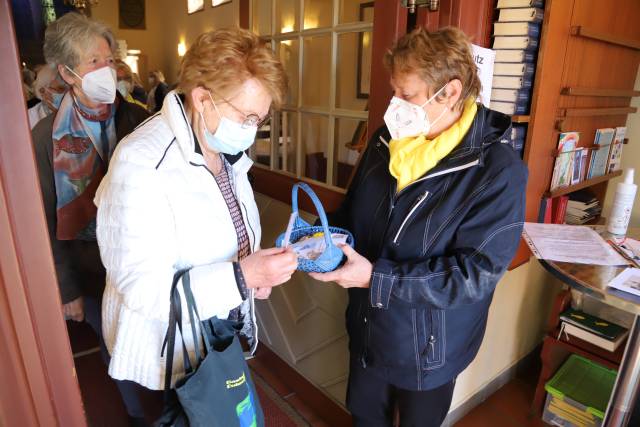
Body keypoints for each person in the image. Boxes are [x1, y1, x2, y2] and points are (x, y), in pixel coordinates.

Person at [310, 27, 528, 427]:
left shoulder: (497, 172)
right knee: (364, 417)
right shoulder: (385, 141)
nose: (394, 106)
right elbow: (352, 212)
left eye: (406, 95)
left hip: (431, 349)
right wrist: (320, 238)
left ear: (449, 92)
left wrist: (376, 278)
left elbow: (474, 275)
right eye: (394, 92)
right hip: (368, 328)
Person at [94, 28, 298, 394]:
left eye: (260, 119)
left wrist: (253, 278)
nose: (253, 130)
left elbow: (225, 239)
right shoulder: (141, 161)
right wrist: (241, 278)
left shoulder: (223, 150)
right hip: (169, 353)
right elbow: (144, 291)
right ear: (203, 98)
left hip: (215, 339)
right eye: (248, 117)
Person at [31, 12, 150, 427]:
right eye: (92, 62)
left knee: (158, 341)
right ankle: (138, 415)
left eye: (109, 59)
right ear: (66, 72)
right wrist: (67, 290)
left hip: (144, 258)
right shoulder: (46, 137)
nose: (107, 70)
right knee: (115, 344)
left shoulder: (138, 118)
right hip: (90, 268)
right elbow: (46, 220)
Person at [28, 63, 67, 129]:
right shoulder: (28, 121)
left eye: (71, 88)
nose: (67, 94)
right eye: (60, 89)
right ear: (42, 91)